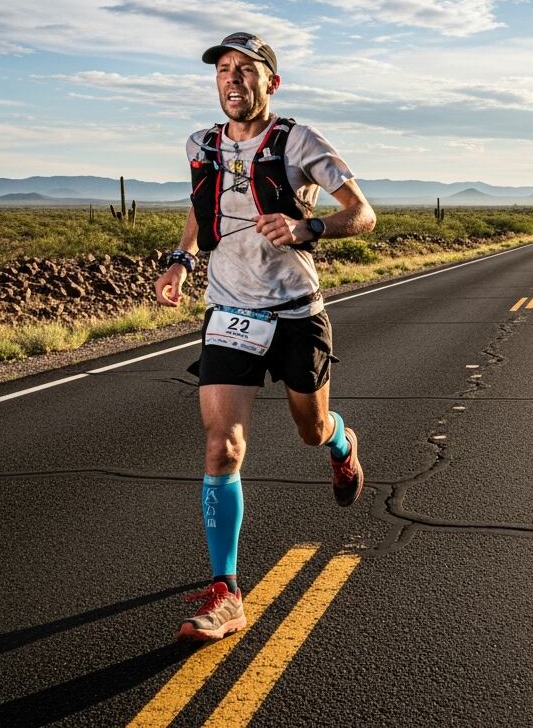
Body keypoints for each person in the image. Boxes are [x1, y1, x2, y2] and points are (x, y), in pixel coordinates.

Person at [154, 32, 376, 643]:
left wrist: (309, 226)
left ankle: (341, 442)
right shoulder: (201, 144)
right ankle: (226, 590)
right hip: (229, 310)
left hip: (296, 312)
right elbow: (205, 210)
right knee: (222, 445)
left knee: (309, 429)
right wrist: (180, 259)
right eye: (223, 69)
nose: (232, 79)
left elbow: (363, 213)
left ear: (270, 82)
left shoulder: (299, 140)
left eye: (245, 70)